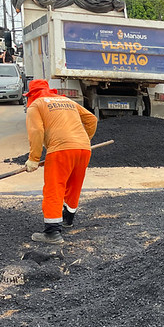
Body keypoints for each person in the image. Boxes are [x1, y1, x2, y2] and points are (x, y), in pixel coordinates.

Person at [23, 79, 98, 245]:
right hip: (84, 149)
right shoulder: (67, 101)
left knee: (54, 187)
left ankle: (52, 233)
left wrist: (34, 159)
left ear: (31, 95)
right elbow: (92, 119)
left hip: (60, 150)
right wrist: (83, 140)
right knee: (74, 184)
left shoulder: (36, 106)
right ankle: (68, 219)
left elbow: (36, 131)